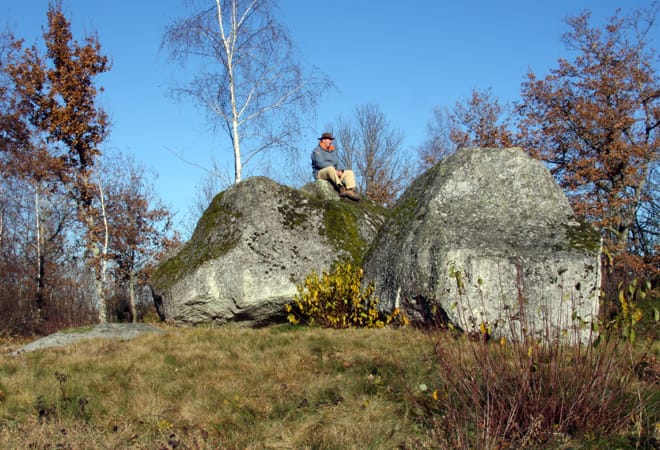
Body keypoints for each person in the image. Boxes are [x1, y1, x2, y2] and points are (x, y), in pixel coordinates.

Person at [311, 132, 360, 201]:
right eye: (328, 139)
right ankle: (341, 188)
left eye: (331, 139)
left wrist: (340, 171)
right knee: (330, 169)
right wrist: (334, 170)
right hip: (320, 173)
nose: (330, 141)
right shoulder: (317, 151)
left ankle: (350, 190)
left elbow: (336, 163)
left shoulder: (332, 151)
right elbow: (320, 163)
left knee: (349, 172)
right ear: (323, 140)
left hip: (333, 172)